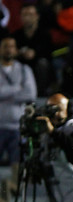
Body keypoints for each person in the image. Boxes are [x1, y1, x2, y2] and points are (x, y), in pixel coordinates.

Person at [0, 36, 36, 167]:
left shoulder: (24, 70)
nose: (8, 50)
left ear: (16, 50)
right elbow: (22, 91)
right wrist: (17, 88)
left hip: (17, 127)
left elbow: (30, 94)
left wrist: (4, 94)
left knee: (17, 167)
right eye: (5, 46)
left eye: (11, 46)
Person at [11, 3, 54, 96]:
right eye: (24, 15)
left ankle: (40, 94)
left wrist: (35, 53)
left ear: (37, 16)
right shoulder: (16, 35)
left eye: (30, 14)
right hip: (21, 65)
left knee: (43, 64)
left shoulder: (45, 34)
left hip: (38, 66)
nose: (27, 18)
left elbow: (48, 53)